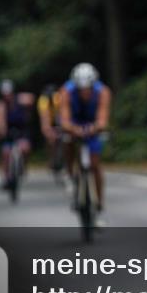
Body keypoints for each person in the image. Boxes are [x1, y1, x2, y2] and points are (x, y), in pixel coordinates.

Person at [59, 63, 111, 216]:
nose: (84, 93)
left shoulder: (103, 92)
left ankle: (99, 202)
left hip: (92, 125)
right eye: (81, 89)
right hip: (74, 124)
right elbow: (64, 118)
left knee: (95, 165)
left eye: (87, 89)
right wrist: (73, 129)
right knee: (67, 141)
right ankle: (69, 173)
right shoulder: (66, 91)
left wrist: (95, 128)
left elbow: (103, 119)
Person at [0, 79, 33, 185]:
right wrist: (1, 130)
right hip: (8, 131)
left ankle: (23, 167)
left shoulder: (19, 100)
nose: (7, 96)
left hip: (21, 130)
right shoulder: (1, 105)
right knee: (6, 153)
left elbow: (31, 98)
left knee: (25, 148)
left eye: (9, 93)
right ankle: (7, 177)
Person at [37, 84, 64, 182]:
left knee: (65, 138)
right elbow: (44, 118)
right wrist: (48, 131)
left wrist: (64, 127)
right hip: (49, 120)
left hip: (58, 119)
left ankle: (62, 160)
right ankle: (51, 160)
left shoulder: (58, 98)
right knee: (50, 139)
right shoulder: (43, 101)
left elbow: (63, 114)